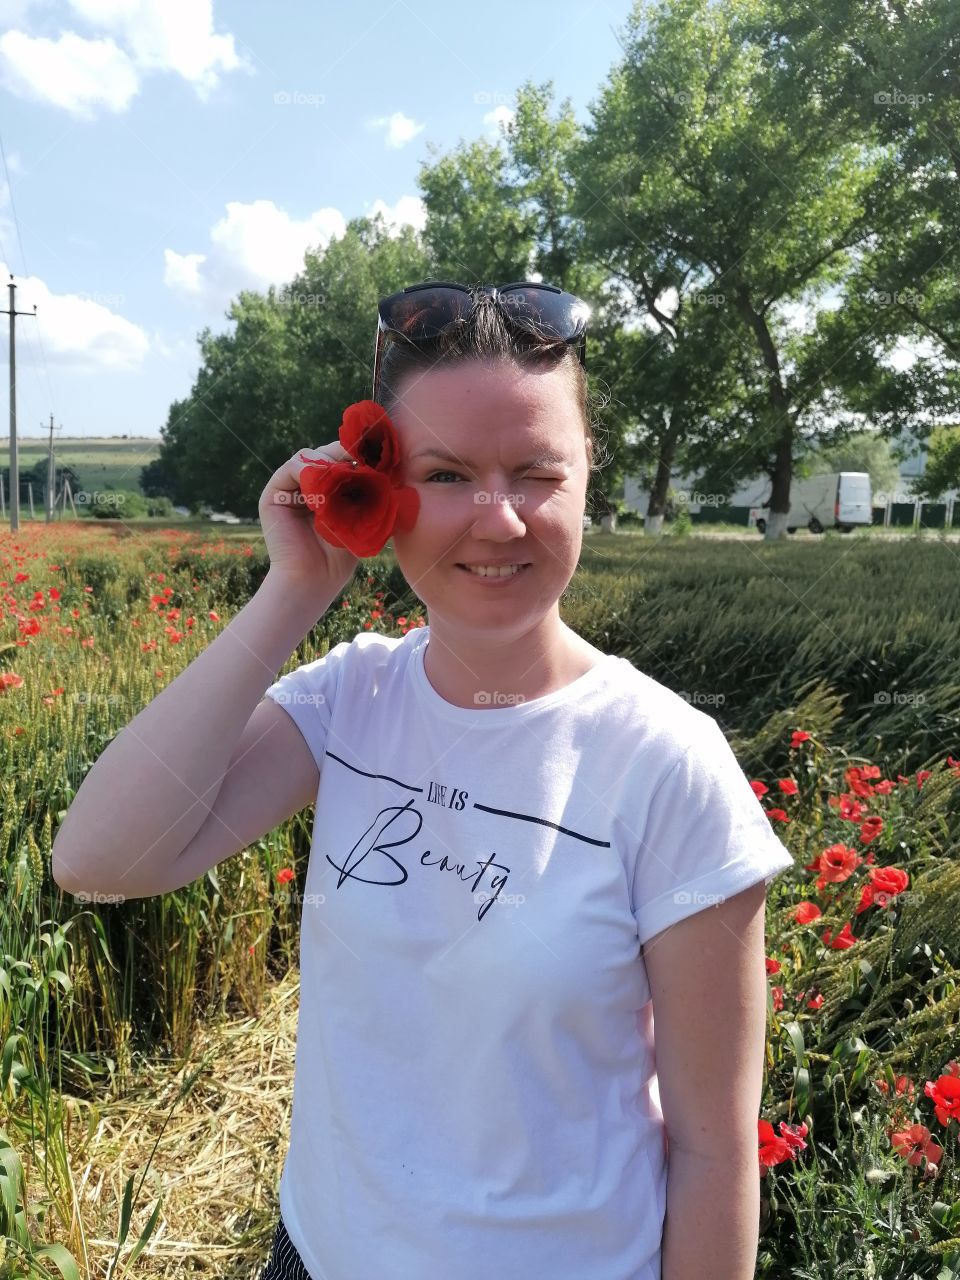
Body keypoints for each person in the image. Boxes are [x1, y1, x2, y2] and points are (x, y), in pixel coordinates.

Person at [51, 280, 795, 1280]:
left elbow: (711, 1145)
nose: (498, 519)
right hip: (318, 1251)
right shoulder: (348, 701)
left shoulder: (667, 762)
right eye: (445, 473)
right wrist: (294, 588)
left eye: (537, 471)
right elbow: (98, 859)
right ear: (379, 487)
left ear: (588, 481)